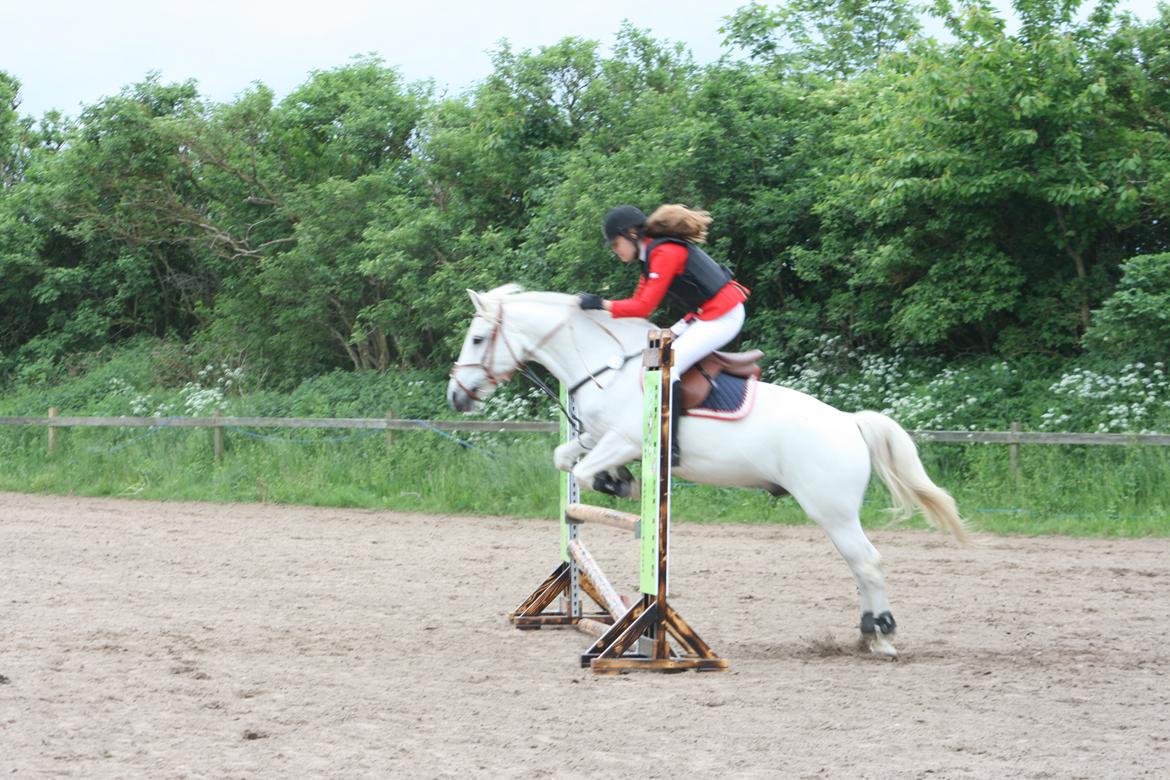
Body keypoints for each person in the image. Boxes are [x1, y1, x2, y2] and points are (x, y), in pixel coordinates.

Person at [579, 204, 750, 466]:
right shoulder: (649, 259)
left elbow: (645, 306)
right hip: (704, 314)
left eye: (615, 244)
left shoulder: (665, 252)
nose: (615, 251)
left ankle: (668, 445)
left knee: (663, 365)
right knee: (649, 359)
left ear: (632, 234)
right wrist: (602, 311)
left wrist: (601, 304)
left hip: (723, 315)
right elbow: (637, 303)